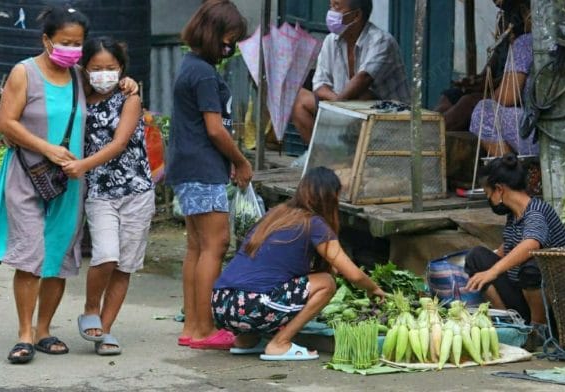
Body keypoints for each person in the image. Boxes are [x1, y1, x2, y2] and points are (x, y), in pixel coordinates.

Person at [0, 6, 89, 365]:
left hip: (69, 180)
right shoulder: (24, 72)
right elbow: (6, 123)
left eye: (77, 43)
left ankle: (44, 330)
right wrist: (47, 149)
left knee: (58, 253)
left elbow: (108, 100)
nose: (71, 49)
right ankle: (24, 334)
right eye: (64, 42)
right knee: (31, 252)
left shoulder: (79, 76)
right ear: (46, 40)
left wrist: (126, 83)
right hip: (27, 173)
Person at [213, 167, 385, 360]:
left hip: (222, 304)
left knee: (267, 282)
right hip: (253, 306)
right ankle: (280, 344)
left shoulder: (276, 214)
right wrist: (374, 289)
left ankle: (246, 340)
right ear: (331, 197)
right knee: (326, 283)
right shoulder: (314, 223)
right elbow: (353, 274)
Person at [165, 0, 253, 350]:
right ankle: (204, 328)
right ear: (213, 34)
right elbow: (215, 129)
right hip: (202, 168)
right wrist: (241, 160)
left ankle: (193, 325)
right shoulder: (202, 72)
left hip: (191, 166)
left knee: (197, 247)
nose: (230, 49)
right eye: (228, 41)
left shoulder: (191, 65)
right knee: (215, 245)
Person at [62, 36, 154, 356]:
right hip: (100, 192)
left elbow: (118, 143)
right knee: (106, 256)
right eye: (96, 68)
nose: (104, 74)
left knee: (125, 266)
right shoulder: (78, 99)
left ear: (122, 69)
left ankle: (106, 330)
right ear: (84, 70)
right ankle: (90, 309)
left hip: (137, 192)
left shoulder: (130, 98)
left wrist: (80, 165)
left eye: (111, 68)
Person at [465, 153, 565, 338]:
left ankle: (539, 330)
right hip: (521, 293)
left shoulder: (536, 212)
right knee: (476, 257)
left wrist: (493, 270)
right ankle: (512, 325)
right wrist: (493, 258)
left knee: (532, 266)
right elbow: (511, 246)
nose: (490, 200)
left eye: (489, 194)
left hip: (553, 303)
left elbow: (531, 243)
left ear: (499, 190)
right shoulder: (514, 215)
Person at [291, 0, 410, 144]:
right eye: (331, 6)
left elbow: (363, 79)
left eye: (336, 6)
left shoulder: (381, 41)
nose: (330, 12)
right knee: (300, 100)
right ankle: (326, 160)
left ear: (356, 15)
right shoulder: (331, 41)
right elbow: (320, 85)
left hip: (387, 118)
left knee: (364, 96)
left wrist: (338, 107)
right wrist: (337, 105)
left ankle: (344, 156)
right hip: (344, 106)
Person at [434, 0, 527, 133]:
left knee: (468, 102)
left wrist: (489, 85)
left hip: (513, 93)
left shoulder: (526, 29)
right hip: (495, 85)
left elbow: (514, 84)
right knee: (449, 96)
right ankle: (428, 129)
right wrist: (478, 79)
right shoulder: (504, 20)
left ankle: (429, 136)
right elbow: (495, 57)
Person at [469, 0, 534, 156]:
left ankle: (512, 176)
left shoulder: (526, 43)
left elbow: (506, 97)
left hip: (545, 135)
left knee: (484, 112)